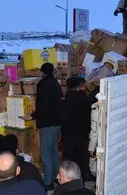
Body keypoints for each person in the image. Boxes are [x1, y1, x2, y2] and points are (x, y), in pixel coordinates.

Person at [22, 62, 63, 190]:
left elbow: (43, 104)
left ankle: (47, 183)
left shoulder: (43, 84)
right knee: (53, 151)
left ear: (42, 72)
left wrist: (32, 116)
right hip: (57, 122)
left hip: (47, 123)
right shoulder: (56, 83)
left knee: (45, 153)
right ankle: (55, 176)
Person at [61, 77, 91, 183]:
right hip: (81, 135)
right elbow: (88, 118)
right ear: (78, 86)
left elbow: (63, 119)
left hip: (68, 136)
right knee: (81, 161)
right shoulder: (85, 100)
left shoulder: (65, 101)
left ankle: (68, 182)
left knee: (69, 162)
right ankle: (80, 182)